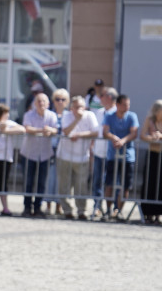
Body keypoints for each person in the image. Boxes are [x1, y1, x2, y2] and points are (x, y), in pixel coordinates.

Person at [55, 95, 100, 220]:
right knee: (64, 186)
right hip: (64, 156)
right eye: (76, 107)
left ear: (85, 107)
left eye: (81, 106)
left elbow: (96, 132)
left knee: (81, 186)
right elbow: (66, 132)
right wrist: (76, 120)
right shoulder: (66, 115)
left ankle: (82, 211)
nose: (79, 109)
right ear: (71, 108)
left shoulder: (90, 116)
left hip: (82, 157)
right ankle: (67, 210)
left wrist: (79, 134)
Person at [102, 93, 140, 222]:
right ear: (117, 105)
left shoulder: (132, 116)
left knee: (125, 186)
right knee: (109, 183)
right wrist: (114, 138)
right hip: (113, 156)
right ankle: (107, 210)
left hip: (128, 157)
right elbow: (105, 131)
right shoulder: (109, 116)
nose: (127, 107)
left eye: (128, 104)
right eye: (124, 104)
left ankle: (118, 210)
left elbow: (134, 133)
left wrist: (123, 141)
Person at [20, 92, 59, 217]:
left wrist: (50, 131)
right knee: (28, 182)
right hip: (29, 152)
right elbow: (27, 128)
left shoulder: (52, 115)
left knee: (41, 182)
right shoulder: (29, 114)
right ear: (35, 103)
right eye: (39, 101)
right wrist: (43, 130)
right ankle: (27, 207)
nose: (41, 103)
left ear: (48, 104)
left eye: (43, 101)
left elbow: (55, 129)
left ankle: (38, 207)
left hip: (45, 154)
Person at [138, 99, 162, 224]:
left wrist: (161, 136)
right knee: (150, 182)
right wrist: (152, 137)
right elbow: (142, 135)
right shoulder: (149, 120)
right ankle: (149, 213)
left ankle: (160, 213)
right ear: (157, 110)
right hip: (152, 154)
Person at [90, 87, 117, 220]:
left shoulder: (117, 113)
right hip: (99, 151)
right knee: (97, 181)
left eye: (102, 96)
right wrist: (92, 146)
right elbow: (95, 131)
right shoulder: (99, 113)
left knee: (110, 182)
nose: (100, 98)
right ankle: (97, 206)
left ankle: (110, 208)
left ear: (109, 98)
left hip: (111, 153)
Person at [44, 89, 69, 216]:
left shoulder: (69, 115)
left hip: (64, 150)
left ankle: (60, 205)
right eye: (57, 99)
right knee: (50, 178)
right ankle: (48, 204)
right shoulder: (49, 114)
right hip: (51, 149)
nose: (60, 102)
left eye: (63, 99)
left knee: (62, 179)